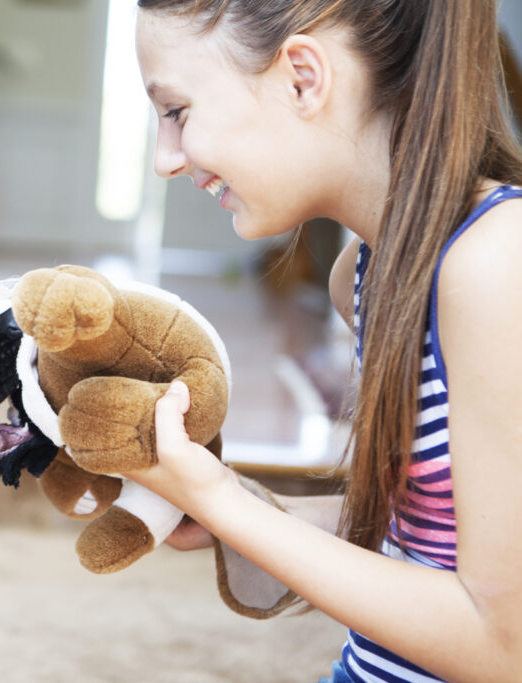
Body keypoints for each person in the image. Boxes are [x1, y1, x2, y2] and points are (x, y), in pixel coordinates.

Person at [122, 1, 522, 681]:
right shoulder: (363, 271)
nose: (166, 159)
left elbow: (502, 644)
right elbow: (423, 538)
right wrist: (235, 511)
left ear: (304, 77)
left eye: (178, 112)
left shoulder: (495, 264)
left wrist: (221, 497)